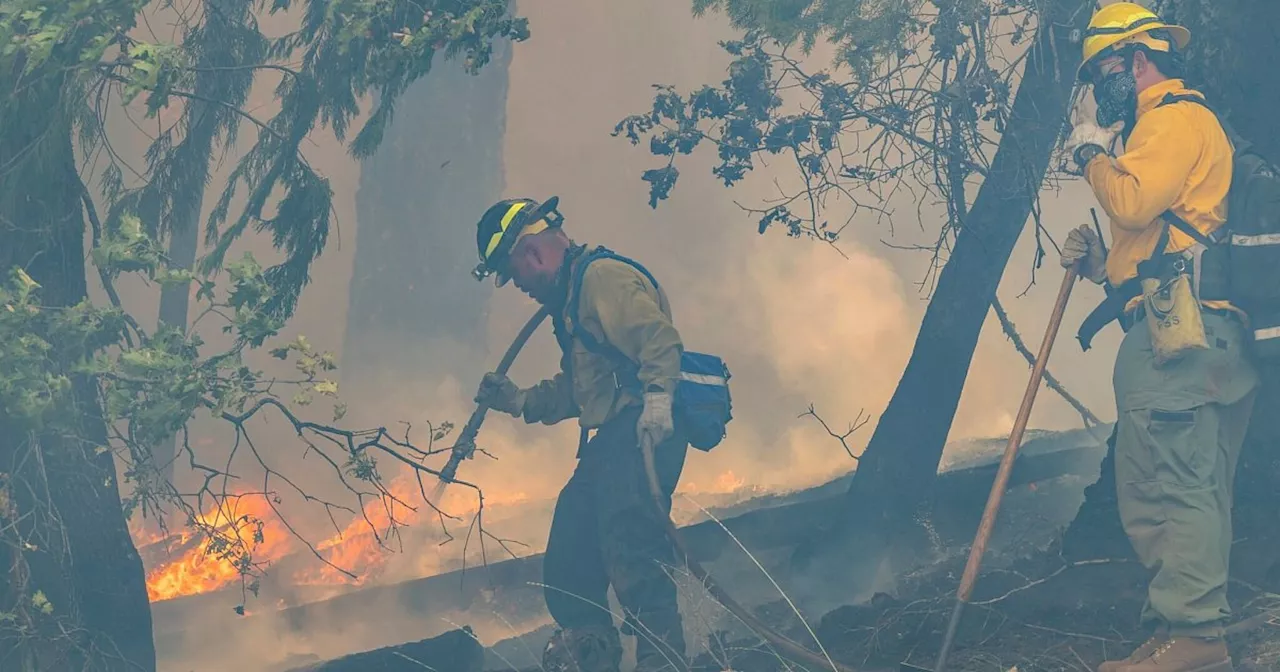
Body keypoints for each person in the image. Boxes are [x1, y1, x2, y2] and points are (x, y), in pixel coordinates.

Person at [1062, 5, 1259, 672]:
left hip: (1184, 336)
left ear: (1141, 58)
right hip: (1182, 323)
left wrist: (1090, 152)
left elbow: (1135, 202)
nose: (1099, 86)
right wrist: (1099, 265)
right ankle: (1178, 632)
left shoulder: (1172, 119)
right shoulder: (1171, 126)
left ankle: (1196, 637)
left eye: (1105, 69)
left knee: (1176, 488)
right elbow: (1158, 238)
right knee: (1171, 486)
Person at [470, 196, 689, 672]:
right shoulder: (570, 300)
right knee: (569, 566)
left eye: (514, 274)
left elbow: (660, 342)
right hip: (610, 443)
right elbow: (581, 387)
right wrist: (521, 400)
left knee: (634, 558)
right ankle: (594, 661)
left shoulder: (601, 280)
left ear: (532, 253)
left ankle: (663, 665)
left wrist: (656, 401)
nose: (520, 287)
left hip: (640, 437)